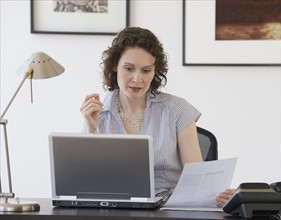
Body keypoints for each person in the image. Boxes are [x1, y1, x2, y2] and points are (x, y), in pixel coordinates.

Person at [80, 26, 235, 207]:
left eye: (146, 70)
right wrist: (90, 130)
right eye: (129, 68)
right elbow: (85, 182)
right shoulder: (98, 112)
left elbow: (197, 181)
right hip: (115, 208)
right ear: (115, 66)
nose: (137, 79)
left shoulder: (177, 109)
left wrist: (220, 196)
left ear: (155, 72)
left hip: (168, 208)